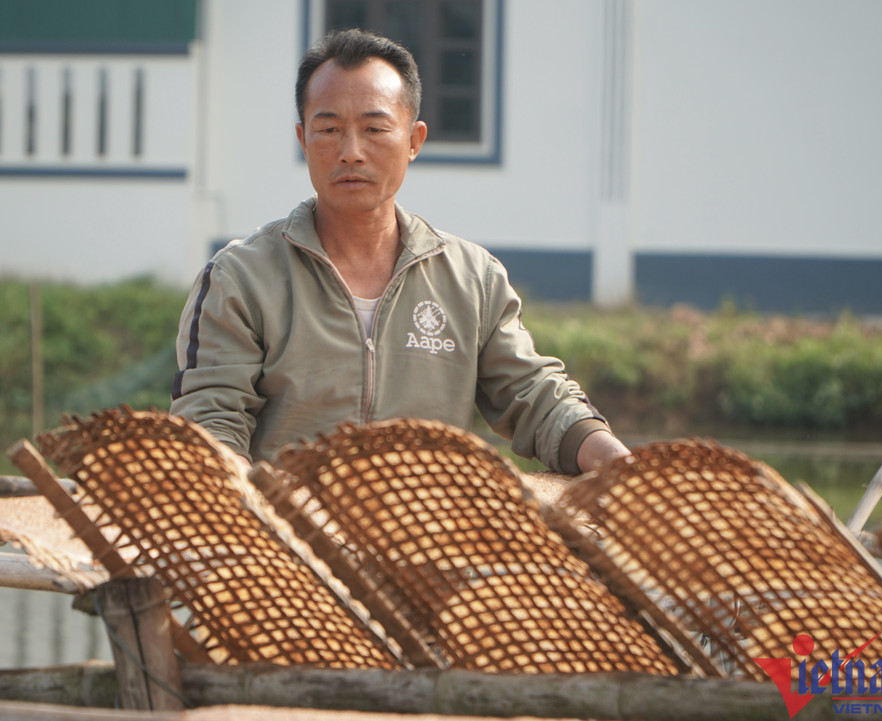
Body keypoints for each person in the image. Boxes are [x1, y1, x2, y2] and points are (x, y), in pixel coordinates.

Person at [171, 29, 630, 474]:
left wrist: (615, 459)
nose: (350, 152)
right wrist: (233, 481)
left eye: (374, 128)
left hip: (425, 537)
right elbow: (210, 419)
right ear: (303, 140)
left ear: (414, 141)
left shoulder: (472, 279)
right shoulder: (241, 277)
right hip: (287, 538)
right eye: (328, 129)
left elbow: (534, 395)